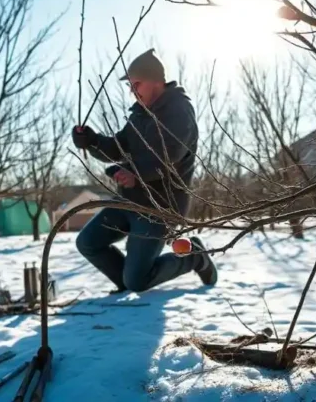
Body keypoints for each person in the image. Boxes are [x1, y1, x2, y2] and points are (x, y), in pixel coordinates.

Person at [71, 48, 217, 293]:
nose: (132, 90)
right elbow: (118, 147)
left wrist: (136, 175)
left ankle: (195, 256)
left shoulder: (179, 110)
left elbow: (170, 156)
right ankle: (128, 280)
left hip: (159, 207)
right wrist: (92, 141)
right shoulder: (140, 115)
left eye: (136, 83)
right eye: (130, 85)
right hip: (129, 199)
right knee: (88, 243)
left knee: (137, 280)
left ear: (156, 81)